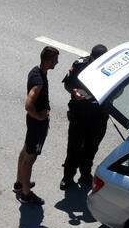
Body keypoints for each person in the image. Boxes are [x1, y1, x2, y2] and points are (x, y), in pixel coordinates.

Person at [60, 44, 109, 190]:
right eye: (95, 60)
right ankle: (68, 176)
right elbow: (67, 84)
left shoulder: (111, 68)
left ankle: (85, 174)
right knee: (74, 147)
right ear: (90, 56)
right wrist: (74, 92)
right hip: (79, 113)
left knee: (91, 147)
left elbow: (118, 89)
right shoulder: (80, 64)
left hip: (99, 116)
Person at [15, 46, 60, 205]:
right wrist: (40, 117)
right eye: (55, 59)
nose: (57, 62)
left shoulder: (35, 71)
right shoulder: (39, 81)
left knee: (26, 149)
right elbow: (28, 104)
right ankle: (26, 194)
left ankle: (19, 183)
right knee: (30, 158)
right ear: (48, 61)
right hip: (37, 124)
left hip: (32, 122)